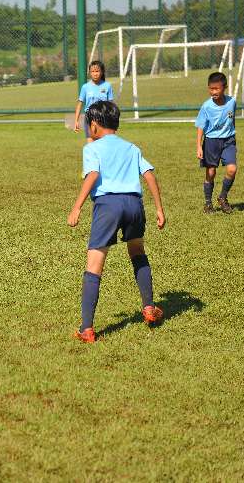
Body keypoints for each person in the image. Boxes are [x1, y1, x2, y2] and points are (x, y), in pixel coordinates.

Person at [67, 100, 166, 343]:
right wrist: (160, 209)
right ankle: (149, 308)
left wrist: (77, 207)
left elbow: (93, 174)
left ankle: (87, 329)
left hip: (108, 206)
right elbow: (149, 175)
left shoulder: (92, 148)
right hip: (134, 204)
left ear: (95, 125)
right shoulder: (131, 147)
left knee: (94, 264)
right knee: (137, 252)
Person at [196, 72, 238, 214]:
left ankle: (222, 197)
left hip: (228, 140)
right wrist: (198, 146)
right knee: (211, 172)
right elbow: (201, 126)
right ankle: (208, 203)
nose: (213, 92)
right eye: (211, 89)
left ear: (224, 87)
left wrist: (231, 135)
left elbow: (231, 119)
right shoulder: (206, 106)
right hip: (211, 142)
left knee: (232, 169)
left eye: (216, 89)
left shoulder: (232, 102)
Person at [74, 60, 114, 143]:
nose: (95, 73)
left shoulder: (107, 86)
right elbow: (80, 104)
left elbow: (111, 104)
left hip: (104, 118)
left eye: (97, 71)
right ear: (89, 73)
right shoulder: (85, 87)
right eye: (93, 71)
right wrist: (76, 121)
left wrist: (112, 119)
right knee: (91, 144)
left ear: (102, 72)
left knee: (103, 143)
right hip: (89, 118)